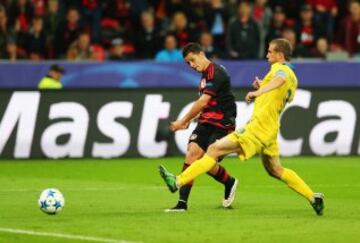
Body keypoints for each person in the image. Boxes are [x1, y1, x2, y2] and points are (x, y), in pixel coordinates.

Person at [160, 38, 325, 216]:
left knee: (214, 149)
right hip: (270, 131)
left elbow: (280, 79)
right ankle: (313, 198)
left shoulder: (281, 70)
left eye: (270, 51)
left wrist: (258, 91)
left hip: (258, 128)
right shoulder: (292, 77)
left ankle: (178, 181)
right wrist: (263, 85)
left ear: (280, 55)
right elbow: (280, 91)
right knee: (276, 170)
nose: (267, 54)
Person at [164, 42, 238, 212]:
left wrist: (183, 120)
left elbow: (203, 101)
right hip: (206, 121)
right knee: (192, 152)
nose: (191, 65)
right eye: (188, 63)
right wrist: (194, 118)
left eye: (192, 60)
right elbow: (209, 104)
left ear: (201, 53)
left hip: (223, 124)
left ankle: (229, 181)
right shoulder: (205, 76)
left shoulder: (216, 72)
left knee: (206, 161)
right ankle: (182, 204)